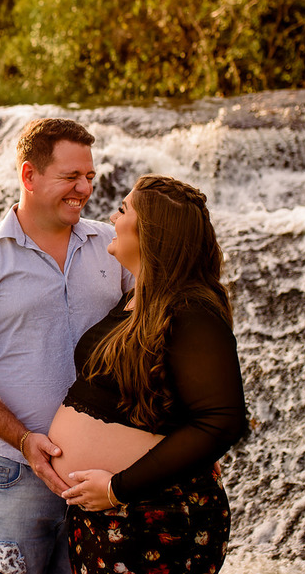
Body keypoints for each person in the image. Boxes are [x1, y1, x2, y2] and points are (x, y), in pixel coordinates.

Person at [0, 118, 133, 574]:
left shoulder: (112, 245)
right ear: (29, 175)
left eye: (89, 177)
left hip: (102, 475)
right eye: (70, 177)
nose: (84, 188)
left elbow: (150, 329)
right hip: (14, 470)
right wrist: (23, 439)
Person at [54, 175, 247, 574]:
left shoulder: (192, 310)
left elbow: (222, 421)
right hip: (107, 517)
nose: (111, 215)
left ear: (150, 233)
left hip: (156, 518)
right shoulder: (139, 298)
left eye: (123, 210)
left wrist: (116, 488)